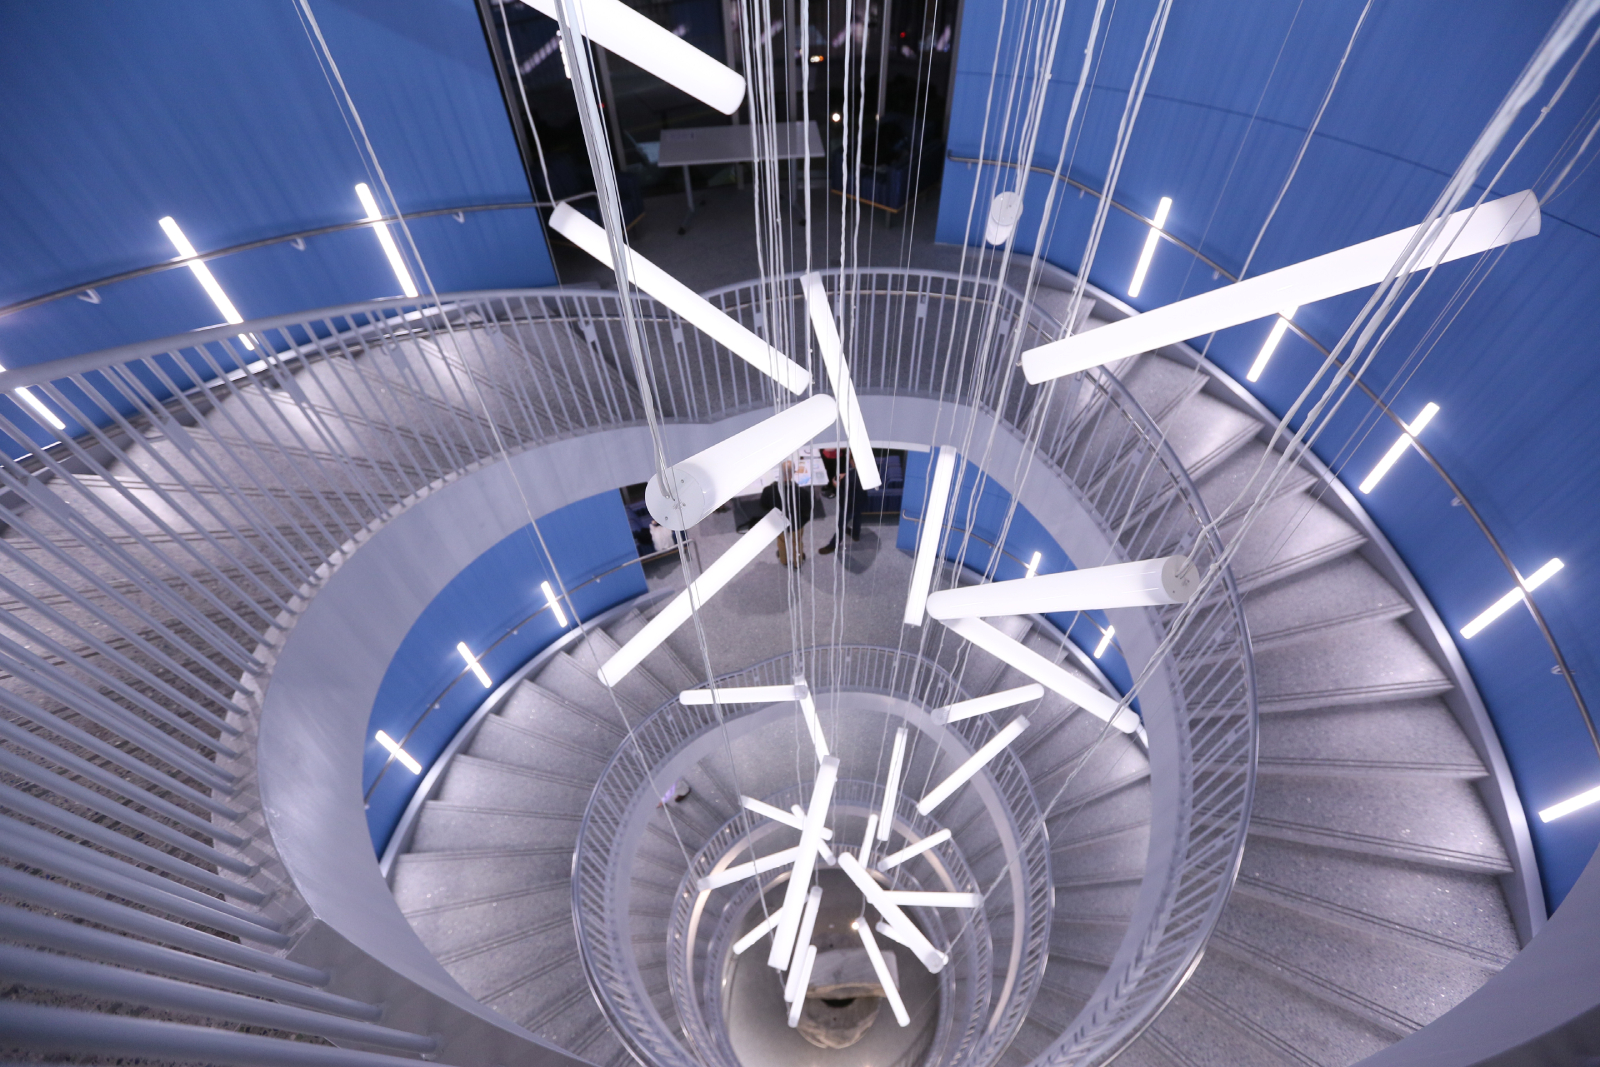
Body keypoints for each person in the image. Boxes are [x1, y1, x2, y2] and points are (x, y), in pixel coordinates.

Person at [759, 461, 816, 567]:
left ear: (780, 472)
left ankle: (783, 559)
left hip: (779, 523)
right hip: (796, 524)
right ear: (793, 473)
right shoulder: (802, 493)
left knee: (781, 541)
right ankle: (797, 562)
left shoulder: (768, 491)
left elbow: (764, 506)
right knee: (797, 542)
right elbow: (808, 509)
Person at [818, 455, 867, 555]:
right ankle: (856, 535)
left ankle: (833, 545)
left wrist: (837, 485)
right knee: (858, 517)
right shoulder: (865, 472)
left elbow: (843, 495)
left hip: (849, 505)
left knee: (841, 525)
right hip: (862, 500)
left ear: (853, 461)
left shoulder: (850, 478)